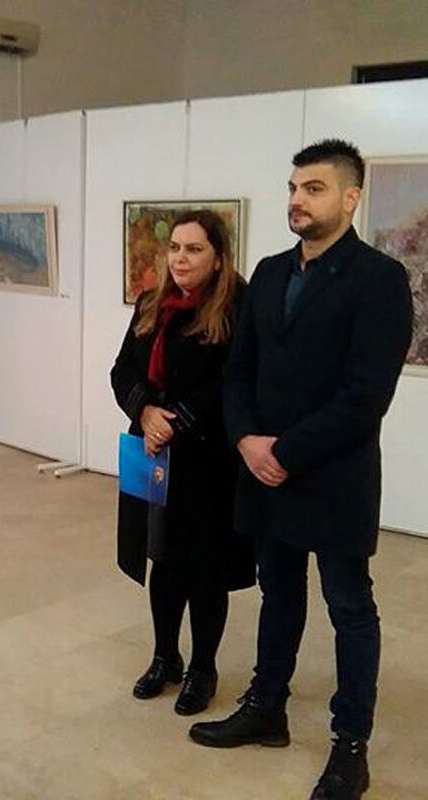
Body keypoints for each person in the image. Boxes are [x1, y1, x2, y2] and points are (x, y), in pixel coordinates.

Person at [188, 140, 412, 800]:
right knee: (278, 591)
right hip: (264, 470)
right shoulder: (269, 273)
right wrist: (246, 441)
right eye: (293, 187)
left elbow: (365, 396)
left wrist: (283, 451)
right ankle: (268, 708)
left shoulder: (379, 279)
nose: (297, 199)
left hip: (334, 474)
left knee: (349, 607)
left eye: (314, 188)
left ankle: (350, 744)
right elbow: (239, 371)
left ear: (351, 197)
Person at [111, 209, 256, 717]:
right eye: (174, 247)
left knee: (206, 568)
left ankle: (203, 668)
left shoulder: (237, 306)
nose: (180, 258)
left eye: (194, 249)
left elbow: (235, 379)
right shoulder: (152, 303)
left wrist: (179, 420)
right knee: (164, 560)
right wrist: (145, 412)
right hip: (153, 454)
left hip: (209, 459)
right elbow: (123, 370)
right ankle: (164, 657)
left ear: (217, 257)